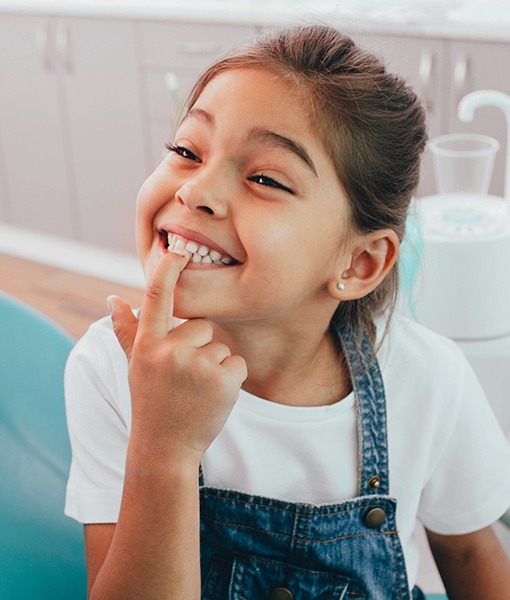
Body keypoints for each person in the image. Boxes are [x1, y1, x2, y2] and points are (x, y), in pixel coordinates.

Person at [64, 24, 510, 599]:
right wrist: (163, 446)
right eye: (185, 150)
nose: (197, 190)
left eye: (265, 178)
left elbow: (473, 553)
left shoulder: (431, 381)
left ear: (360, 263)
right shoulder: (109, 368)